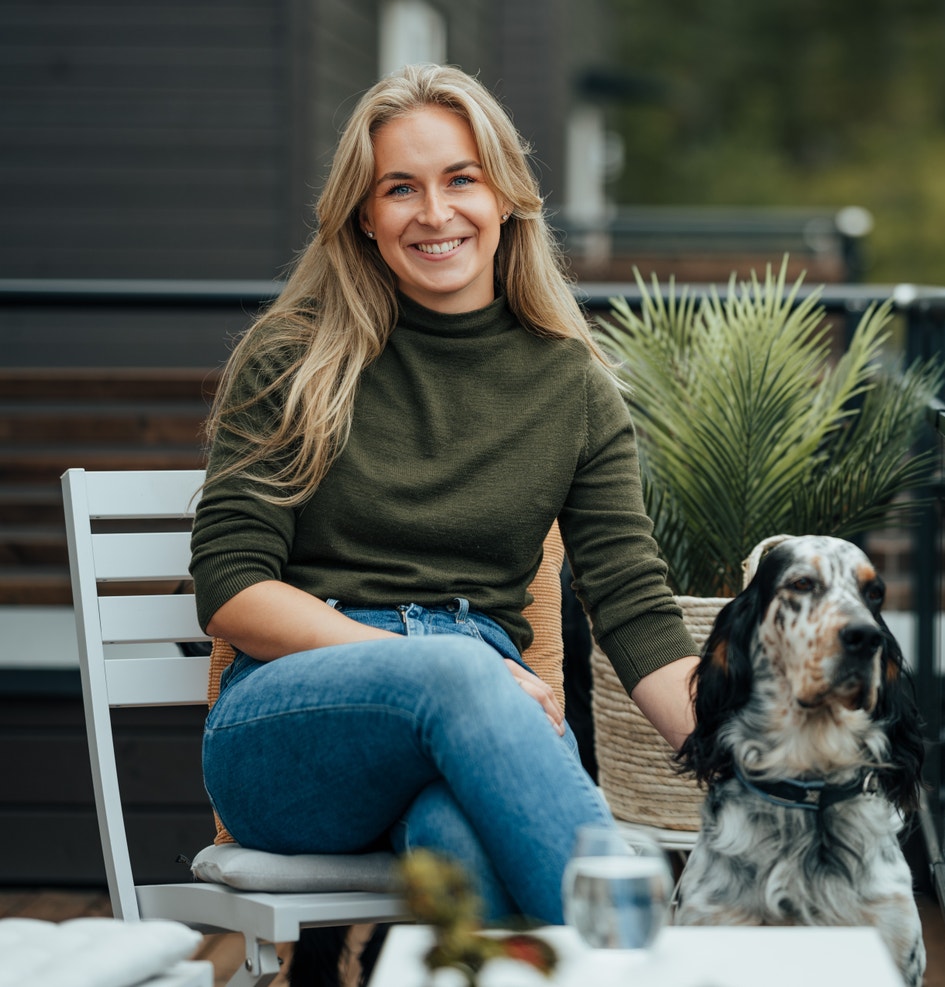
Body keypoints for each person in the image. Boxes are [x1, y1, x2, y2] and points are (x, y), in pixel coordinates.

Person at [189, 63, 698, 925]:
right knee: (456, 678)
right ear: (365, 214)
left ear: (505, 195)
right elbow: (231, 587)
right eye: (401, 188)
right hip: (292, 728)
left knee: (465, 851)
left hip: (480, 717)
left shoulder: (572, 385)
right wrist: (449, 668)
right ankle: (649, 959)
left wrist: (751, 766)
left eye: (461, 178)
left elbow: (634, 605)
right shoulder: (294, 357)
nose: (435, 212)